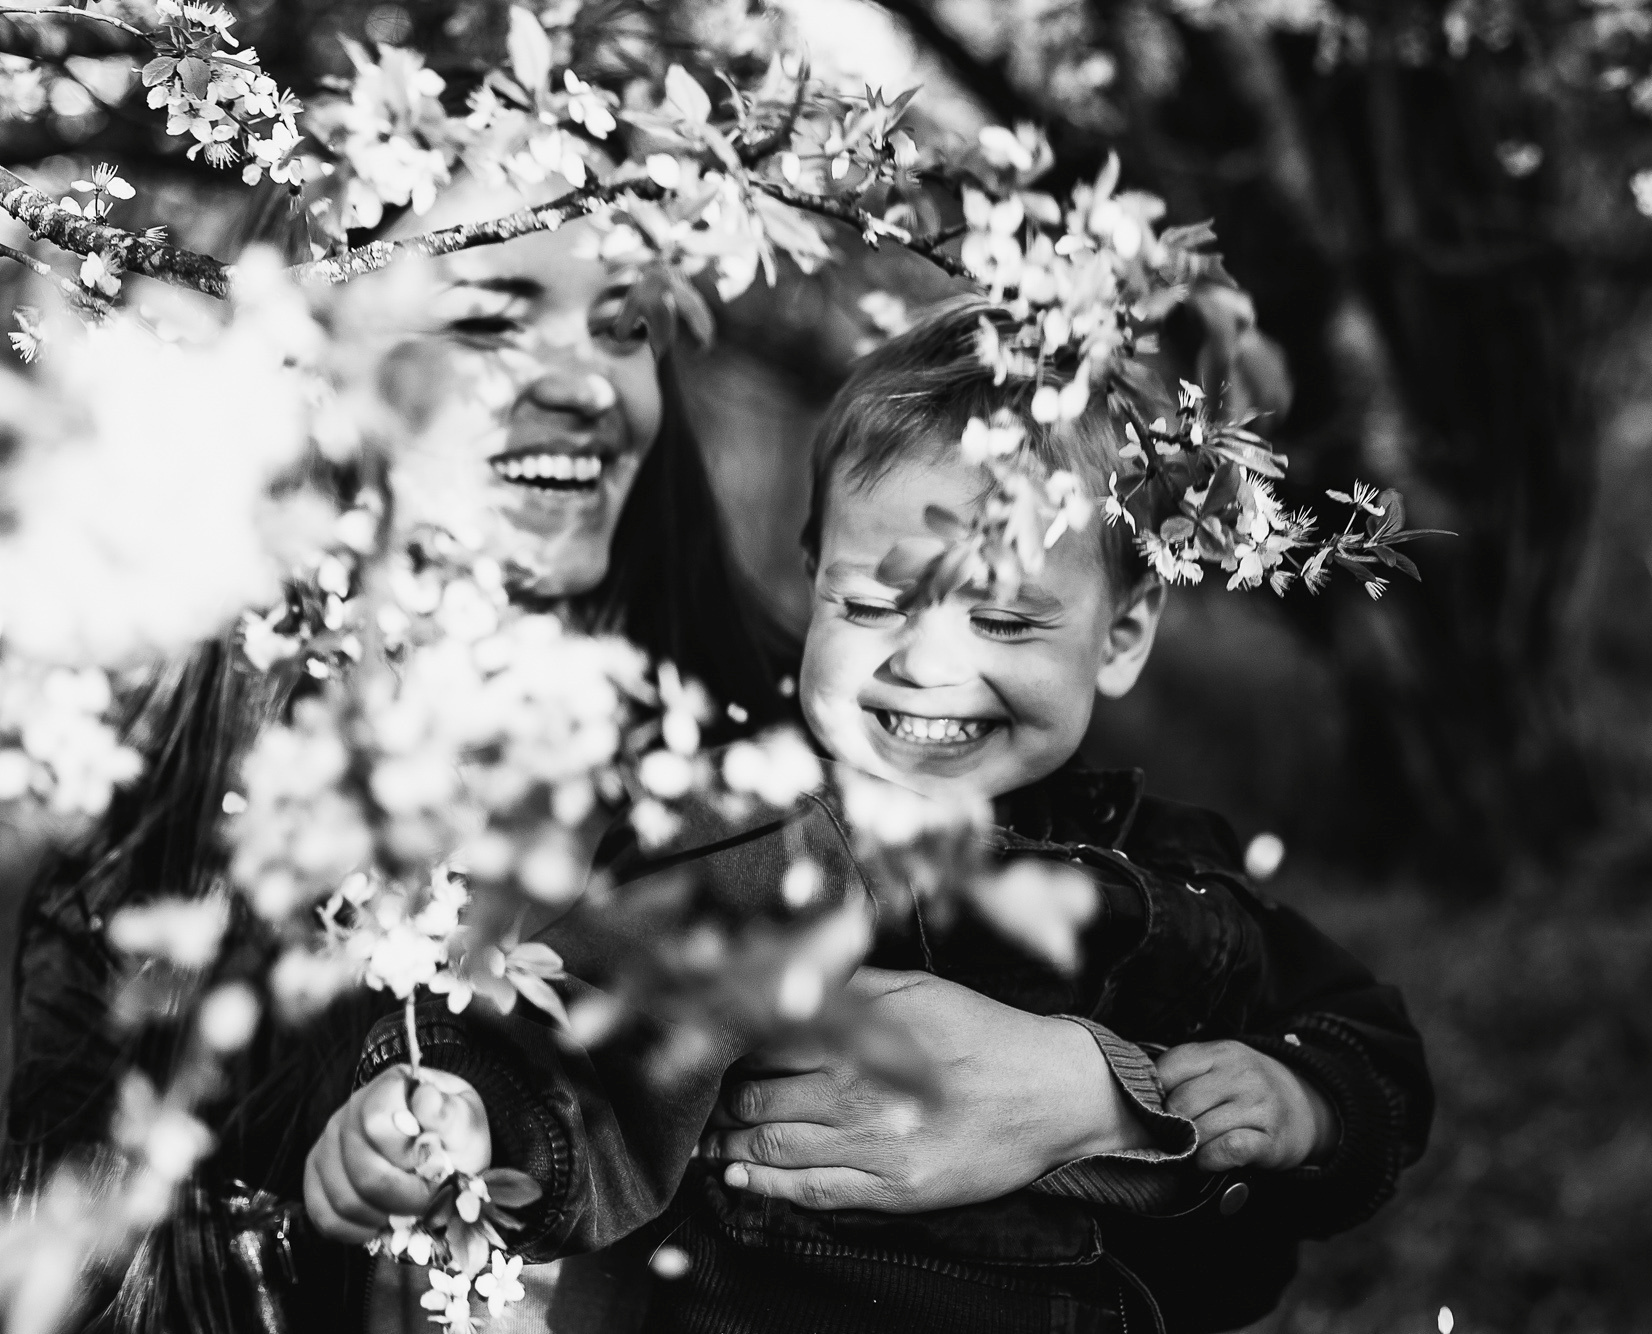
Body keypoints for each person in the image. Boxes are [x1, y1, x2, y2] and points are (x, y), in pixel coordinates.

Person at [312, 300, 1432, 1333]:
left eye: (1002, 618)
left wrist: (1300, 1098)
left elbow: (1364, 1040)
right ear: (810, 581)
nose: (926, 664)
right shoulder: (762, 838)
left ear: (1123, 633)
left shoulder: (1173, 864)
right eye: (872, 601)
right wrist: (461, 1115)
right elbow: (586, 1032)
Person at [1, 178, 791, 1334]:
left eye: (625, 326)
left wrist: (1086, 1090)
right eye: (484, 319)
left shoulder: (775, 776)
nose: (586, 385)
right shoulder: (157, 816)